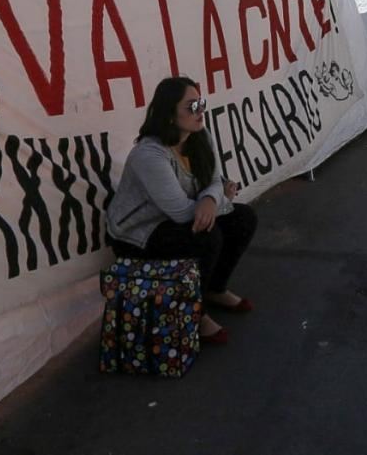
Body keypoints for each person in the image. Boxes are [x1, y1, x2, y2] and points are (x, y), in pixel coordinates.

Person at [106, 76, 258, 346]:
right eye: (192, 106)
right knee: (208, 236)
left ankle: (214, 289)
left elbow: (214, 179)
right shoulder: (149, 154)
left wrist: (212, 199)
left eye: (201, 102)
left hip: (177, 217)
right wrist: (219, 199)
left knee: (243, 218)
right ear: (168, 113)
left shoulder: (199, 135)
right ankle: (194, 313)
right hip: (138, 234)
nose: (200, 111)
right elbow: (181, 212)